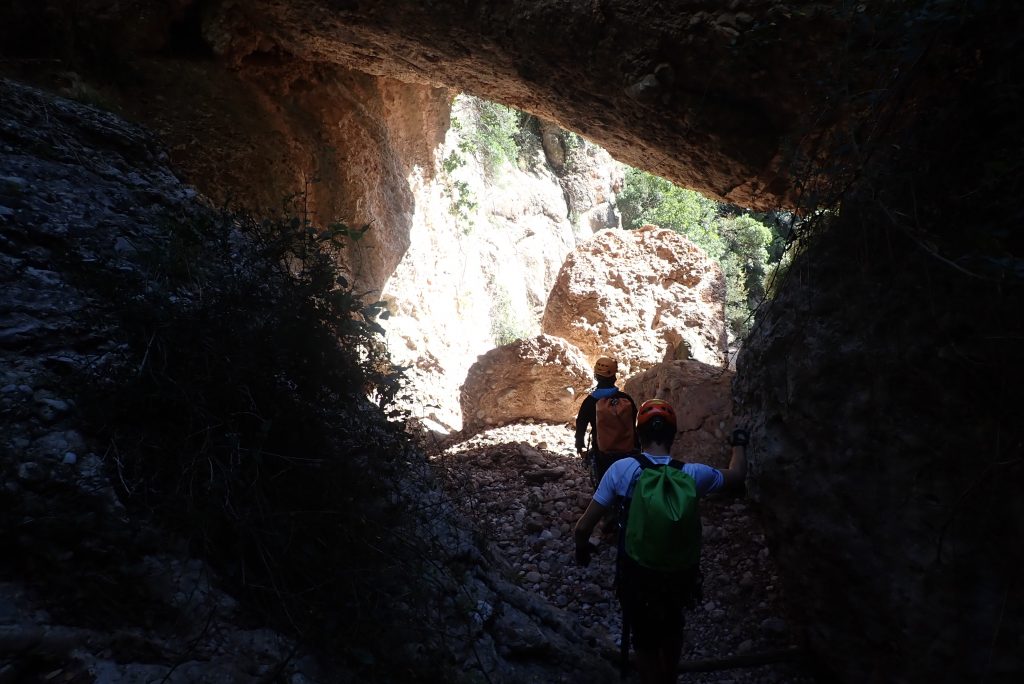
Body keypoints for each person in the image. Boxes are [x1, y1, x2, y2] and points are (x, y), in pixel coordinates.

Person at [573, 398, 749, 684]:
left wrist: (583, 550)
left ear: (638, 434)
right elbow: (738, 476)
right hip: (680, 573)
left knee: (643, 636)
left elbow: (583, 529)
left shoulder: (621, 471)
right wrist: (739, 442)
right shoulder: (693, 474)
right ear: (673, 435)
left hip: (637, 572)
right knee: (672, 625)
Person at [574, 356, 638, 485]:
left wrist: (579, 445)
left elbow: (581, 425)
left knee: (604, 482)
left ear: (596, 377)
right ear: (614, 377)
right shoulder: (626, 399)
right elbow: (636, 423)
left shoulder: (590, 401)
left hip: (602, 451)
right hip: (628, 451)